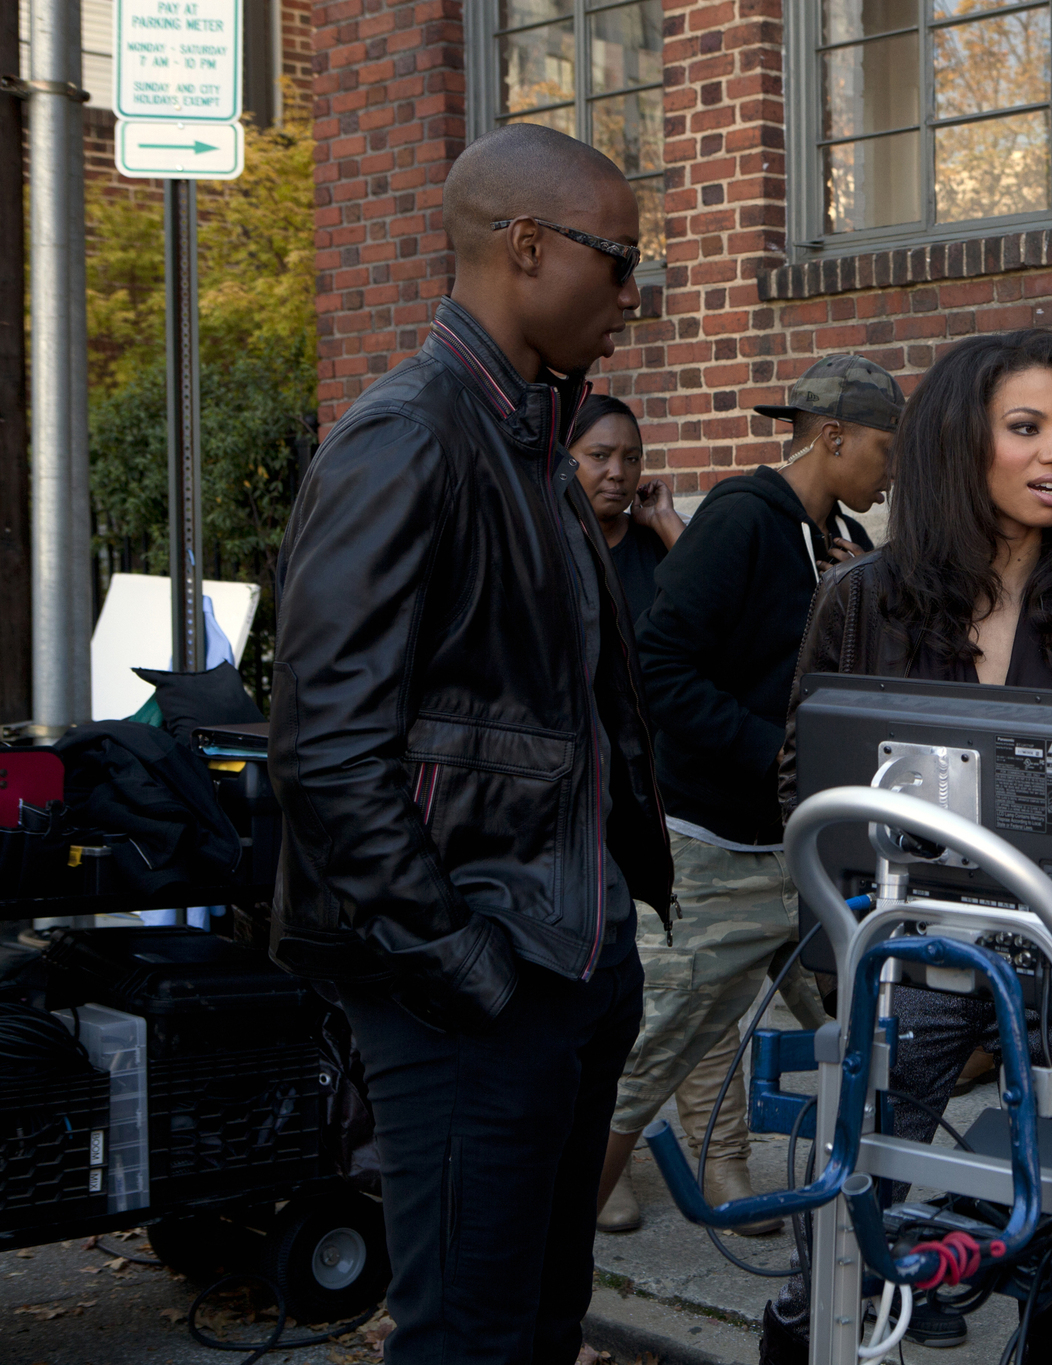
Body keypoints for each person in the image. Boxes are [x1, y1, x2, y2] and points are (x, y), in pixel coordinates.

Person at [268, 124, 669, 1364]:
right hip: (471, 988)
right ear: (529, 245)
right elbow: (326, 748)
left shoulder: (538, 453)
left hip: (564, 971)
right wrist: (460, 962)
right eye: (620, 262)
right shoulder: (408, 437)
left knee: (539, 1329)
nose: (633, 298)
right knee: (467, 1342)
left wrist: (603, 952)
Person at [764, 327, 1052, 1360]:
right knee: (844, 1239)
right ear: (961, 442)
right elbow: (804, 782)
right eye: (1025, 429)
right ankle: (864, 1287)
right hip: (913, 958)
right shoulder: (861, 601)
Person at [592, 356, 903, 1239]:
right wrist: (779, 759)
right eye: (884, 448)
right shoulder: (740, 519)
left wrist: (863, 597)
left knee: (888, 1035)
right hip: (714, 846)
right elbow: (660, 668)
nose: (892, 470)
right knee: (645, 1061)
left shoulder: (840, 541)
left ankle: (882, 1239)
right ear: (832, 437)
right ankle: (540, 1289)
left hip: (808, 849)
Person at [570, 393, 686, 630]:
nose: (618, 472)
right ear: (563, 459)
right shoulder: (540, 546)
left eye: (631, 459)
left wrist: (666, 521)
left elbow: (719, 602)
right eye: (599, 456)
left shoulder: (659, 541)